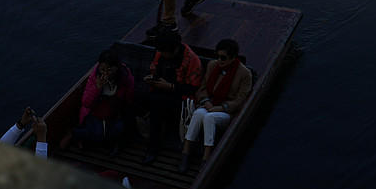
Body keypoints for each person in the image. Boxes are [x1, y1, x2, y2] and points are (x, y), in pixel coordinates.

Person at [177, 39, 252, 173]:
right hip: (209, 104)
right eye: (217, 56)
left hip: (226, 111)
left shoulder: (244, 74)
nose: (219, 60)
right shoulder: (212, 66)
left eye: (223, 57)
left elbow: (240, 100)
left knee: (209, 118)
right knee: (199, 114)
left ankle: (206, 158)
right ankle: (186, 152)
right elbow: (202, 88)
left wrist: (220, 108)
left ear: (233, 57)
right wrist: (207, 102)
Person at [139, 29, 203, 164]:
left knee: (156, 103)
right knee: (137, 101)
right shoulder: (161, 53)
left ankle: (152, 148)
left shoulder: (191, 60)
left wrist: (170, 87)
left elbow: (194, 89)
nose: (161, 54)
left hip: (181, 99)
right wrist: (153, 78)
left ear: (173, 50)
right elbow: (155, 69)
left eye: (164, 52)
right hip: (160, 91)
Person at [61, 49, 135, 155]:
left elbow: (129, 99)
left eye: (109, 70)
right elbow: (86, 103)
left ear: (116, 67)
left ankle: (87, 138)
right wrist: (97, 87)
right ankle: (73, 134)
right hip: (94, 112)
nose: (105, 72)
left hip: (113, 113)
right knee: (98, 135)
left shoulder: (126, 77)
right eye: (102, 68)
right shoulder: (95, 76)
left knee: (118, 129)